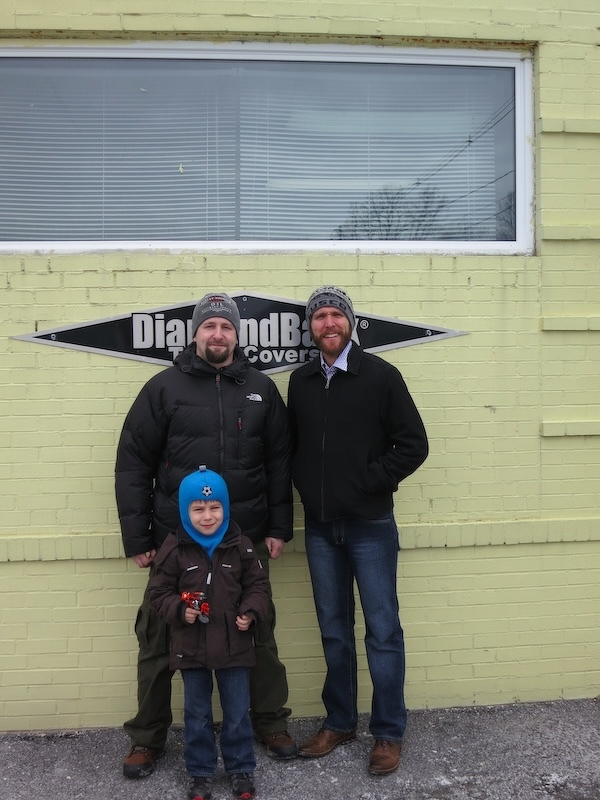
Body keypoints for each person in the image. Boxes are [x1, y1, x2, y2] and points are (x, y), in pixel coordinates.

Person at [116, 292, 297, 779]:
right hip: (178, 541)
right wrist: (139, 537)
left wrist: (280, 526)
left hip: (245, 539)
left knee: (255, 627)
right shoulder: (163, 388)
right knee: (159, 638)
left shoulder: (261, 389)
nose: (218, 334)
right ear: (194, 333)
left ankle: (270, 722)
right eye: (209, 326)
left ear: (237, 335)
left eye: (226, 327)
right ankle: (148, 737)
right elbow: (134, 463)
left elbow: (279, 463)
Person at [287, 286, 428, 776]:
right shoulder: (301, 382)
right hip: (322, 528)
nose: (328, 323)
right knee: (334, 631)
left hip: (370, 526)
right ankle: (340, 721)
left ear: (350, 324)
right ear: (312, 326)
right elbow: (294, 449)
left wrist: (369, 481)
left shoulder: (381, 377)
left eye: (336, 315)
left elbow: (414, 444)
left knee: (383, 632)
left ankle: (388, 732)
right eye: (320, 316)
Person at [148, 467, 269, 800]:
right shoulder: (173, 549)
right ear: (186, 511)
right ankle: (200, 773)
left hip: (235, 645)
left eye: (214, 507)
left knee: (236, 712)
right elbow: (158, 593)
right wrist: (178, 609)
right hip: (191, 646)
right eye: (198, 509)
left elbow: (258, 586)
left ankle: (241, 769)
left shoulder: (241, 547)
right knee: (197, 714)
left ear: (226, 508)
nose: (207, 516)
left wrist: (251, 612)